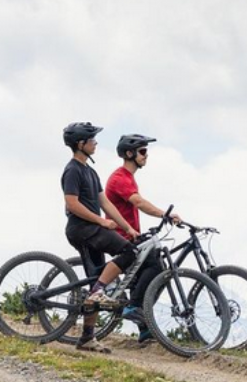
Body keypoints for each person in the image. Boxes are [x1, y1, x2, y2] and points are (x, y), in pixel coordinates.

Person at [61, 122, 140, 353]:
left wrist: (128, 227)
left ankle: (86, 338)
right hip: (82, 229)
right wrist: (101, 221)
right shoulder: (73, 170)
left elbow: (105, 202)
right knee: (128, 252)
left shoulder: (90, 171)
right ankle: (98, 291)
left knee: (97, 277)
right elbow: (72, 203)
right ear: (80, 144)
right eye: (92, 140)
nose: (96, 143)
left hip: (91, 228)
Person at [106, 134, 181, 344]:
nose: (146, 156)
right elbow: (138, 202)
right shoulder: (120, 177)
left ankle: (144, 328)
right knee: (156, 266)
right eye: (143, 151)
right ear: (130, 154)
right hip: (120, 236)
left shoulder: (128, 177)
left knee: (145, 277)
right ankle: (134, 309)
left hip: (130, 235)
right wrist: (164, 214)